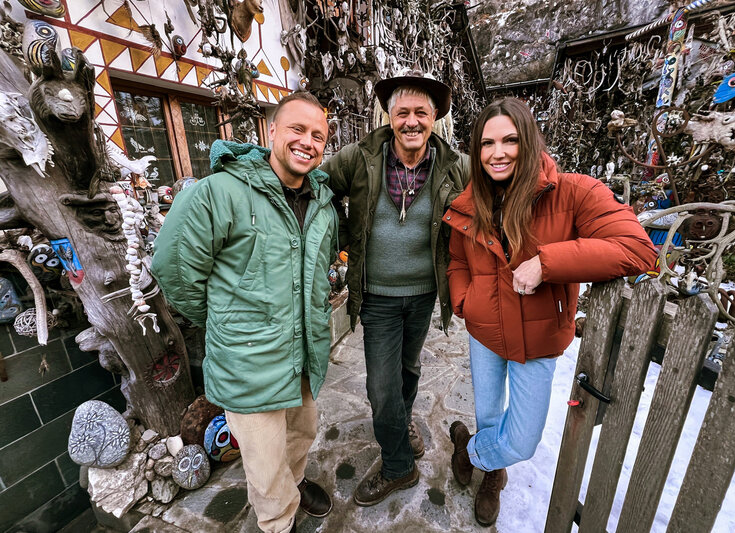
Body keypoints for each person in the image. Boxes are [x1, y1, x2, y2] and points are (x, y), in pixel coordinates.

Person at [443, 98, 657, 527]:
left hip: (537, 340)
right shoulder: (472, 201)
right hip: (483, 332)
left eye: (509, 140)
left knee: (521, 440)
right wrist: (465, 301)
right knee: (490, 416)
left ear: (529, 140)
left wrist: (547, 263)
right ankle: (494, 473)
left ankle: (472, 452)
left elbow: (637, 249)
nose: (497, 153)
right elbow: (457, 261)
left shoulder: (575, 192)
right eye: (486, 143)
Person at [151, 91, 337, 533]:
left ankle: (295, 484)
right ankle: (278, 521)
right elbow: (173, 267)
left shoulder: (322, 203)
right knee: (264, 460)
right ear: (272, 130)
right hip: (249, 361)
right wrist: (226, 322)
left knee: (301, 432)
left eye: (318, 135)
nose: (307, 142)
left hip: (304, 354)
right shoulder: (219, 192)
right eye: (297, 129)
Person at [321, 70, 469, 506]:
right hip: (378, 295)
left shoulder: (455, 165)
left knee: (408, 369)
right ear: (389, 115)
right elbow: (320, 186)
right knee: (381, 387)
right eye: (402, 112)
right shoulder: (361, 157)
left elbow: (487, 204)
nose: (411, 121)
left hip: (423, 294)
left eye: (421, 112)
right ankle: (399, 466)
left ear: (434, 117)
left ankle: (401, 424)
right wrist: (344, 235)